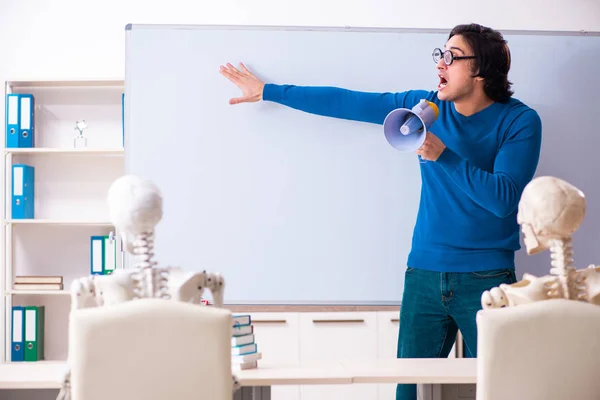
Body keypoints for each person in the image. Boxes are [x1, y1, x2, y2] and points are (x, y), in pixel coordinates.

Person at [220, 23, 542, 400]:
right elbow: (347, 101)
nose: (441, 63)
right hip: (424, 275)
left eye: (452, 56)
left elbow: (504, 198)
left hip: (487, 278)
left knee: (493, 388)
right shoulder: (424, 108)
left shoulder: (520, 121)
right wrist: (268, 91)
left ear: (482, 68)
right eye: (441, 54)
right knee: (407, 390)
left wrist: (445, 156)